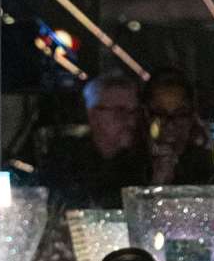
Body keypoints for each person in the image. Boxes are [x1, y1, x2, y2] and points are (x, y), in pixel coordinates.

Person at [40, 71, 150, 210]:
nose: (130, 120)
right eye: (119, 111)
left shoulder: (142, 163)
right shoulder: (65, 161)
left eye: (134, 111)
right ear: (93, 115)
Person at [142, 69, 214, 186]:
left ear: (192, 117)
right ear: (147, 115)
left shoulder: (206, 164)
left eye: (180, 114)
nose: (170, 124)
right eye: (160, 114)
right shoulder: (129, 165)